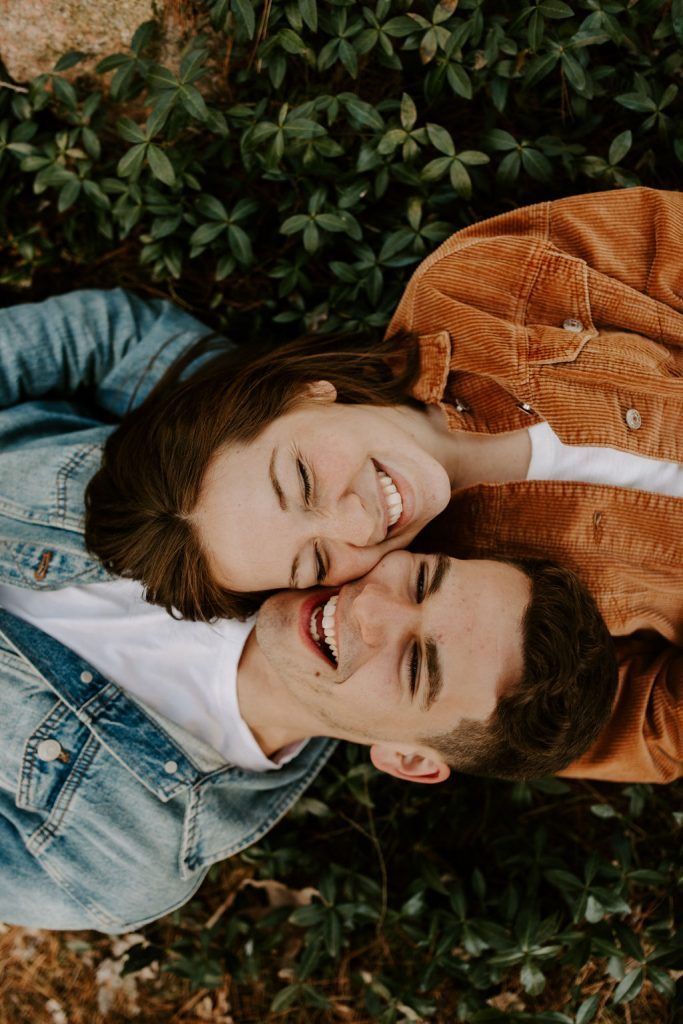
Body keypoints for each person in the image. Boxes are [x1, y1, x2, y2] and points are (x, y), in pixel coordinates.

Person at [81, 187, 683, 783]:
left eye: (303, 479)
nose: (359, 526)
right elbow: (628, 729)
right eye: (317, 560)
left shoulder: (473, 287)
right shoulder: (484, 613)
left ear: (305, 389)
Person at [0, 532, 616, 932]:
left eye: (415, 665)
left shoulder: (120, 863)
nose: (369, 607)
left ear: (407, 759)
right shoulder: (257, 483)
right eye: (423, 581)